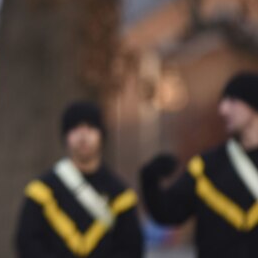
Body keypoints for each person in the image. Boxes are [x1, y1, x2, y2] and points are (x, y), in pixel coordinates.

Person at [140, 71, 258, 258]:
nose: (223, 110)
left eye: (233, 101)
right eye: (222, 102)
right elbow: (168, 212)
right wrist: (150, 179)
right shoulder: (207, 166)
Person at [15, 101, 143, 257]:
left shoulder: (120, 195)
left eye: (90, 128)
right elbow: (27, 243)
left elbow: (132, 248)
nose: (83, 136)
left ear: (101, 135)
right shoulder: (42, 191)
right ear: (66, 136)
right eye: (75, 129)